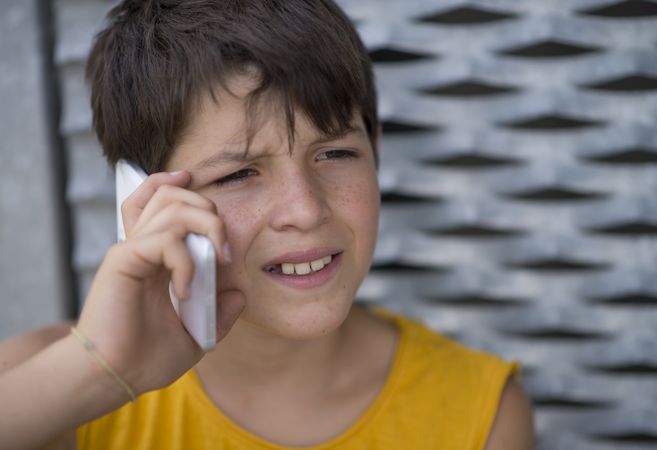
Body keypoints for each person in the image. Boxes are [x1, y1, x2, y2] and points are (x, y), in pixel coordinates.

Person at [0, 1, 534, 449]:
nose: (305, 210)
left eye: (335, 153)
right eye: (238, 174)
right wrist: (99, 373)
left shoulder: (478, 413)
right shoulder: (51, 391)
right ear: (142, 196)